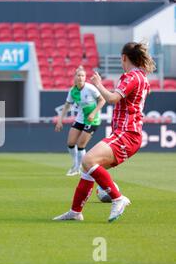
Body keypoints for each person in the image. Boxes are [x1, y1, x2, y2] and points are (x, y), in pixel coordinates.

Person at [53, 42, 154, 222]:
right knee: (88, 169)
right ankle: (75, 212)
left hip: (126, 132)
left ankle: (118, 198)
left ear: (124, 57)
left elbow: (113, 99)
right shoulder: (143, 78)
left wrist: (99, 84)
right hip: (129, 133)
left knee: (88, 160)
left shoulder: (130, 77)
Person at [55, 66, 106, 176]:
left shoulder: (90, 88)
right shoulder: (73, 91)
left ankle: (83, 168)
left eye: (83, 75)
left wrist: (93, 113)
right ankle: (76, 164)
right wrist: (60, 120)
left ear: (85, 77)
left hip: (93, 120)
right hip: (81, 118)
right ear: (74, 77)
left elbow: (102, 100)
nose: (81, 77)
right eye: (78, 75)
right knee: (70, 143)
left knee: (80, 145)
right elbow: (66, 106)